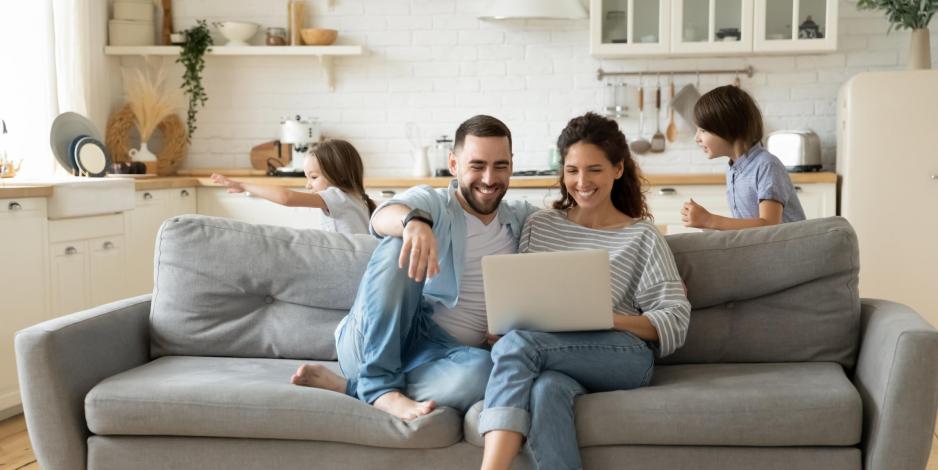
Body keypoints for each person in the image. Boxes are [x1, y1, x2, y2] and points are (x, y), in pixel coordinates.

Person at [290, 115, 540, 421]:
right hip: (380, 337)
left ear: (511, 165)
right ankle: (380, 384)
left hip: (442, 357)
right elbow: (382, 217)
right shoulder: (435, 202)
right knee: (399, 240)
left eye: (500, 166)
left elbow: (570, 229)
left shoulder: (521, 219)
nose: (489, 179)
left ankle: (356, 388)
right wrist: (414, 223)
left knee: (487, 372)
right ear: (453, 164)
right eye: (477, 166)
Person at [479, 113, 692, 470]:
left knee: (520, 346)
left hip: (622, 356)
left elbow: (675, 319)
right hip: (551, 354)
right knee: (545, 389)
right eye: (572, 170)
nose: (582, 181)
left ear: (618, 169)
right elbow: (523, 293)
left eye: (594, 169)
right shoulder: (540, 224)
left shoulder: (641, 236)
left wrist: (607, 318)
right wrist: (504, 322)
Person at [681, 85, 805, 230]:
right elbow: (746, 228)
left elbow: (770, 226)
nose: (697, 138)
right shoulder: (732, 169)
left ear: (729, 127)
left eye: (703, 130)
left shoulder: (766, 165)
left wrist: (709, 220)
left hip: (785, 251)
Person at [210, 139, 375, 234]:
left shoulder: (337, 196)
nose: (308, 184)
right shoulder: (359, 199)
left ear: (339, 174)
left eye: (314, 177)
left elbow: (286, 198)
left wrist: (243, 185)